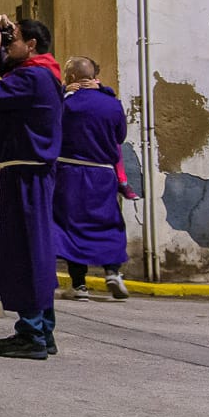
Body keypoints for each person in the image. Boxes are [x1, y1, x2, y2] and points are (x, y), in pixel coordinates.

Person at [0, 15, 65, 359]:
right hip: (27, 174)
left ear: (33, 45)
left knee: (24, 251)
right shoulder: (41, 72)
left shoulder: (33, 77)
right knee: (33, 249)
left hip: (22, 177)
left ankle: (32, 333)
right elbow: (5, 76)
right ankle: (43, 329)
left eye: (14, 39)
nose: (8, 45)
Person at [54, 57, 132, 302]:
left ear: (73, 79)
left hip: (70, 172)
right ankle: (113, 272)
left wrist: (61, 93)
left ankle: (79, 285)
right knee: (108, 222)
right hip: (103, 174)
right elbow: (119, 136)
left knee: (71, 227)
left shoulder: (65, 105)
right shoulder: (112, 104)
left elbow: (48, 124)